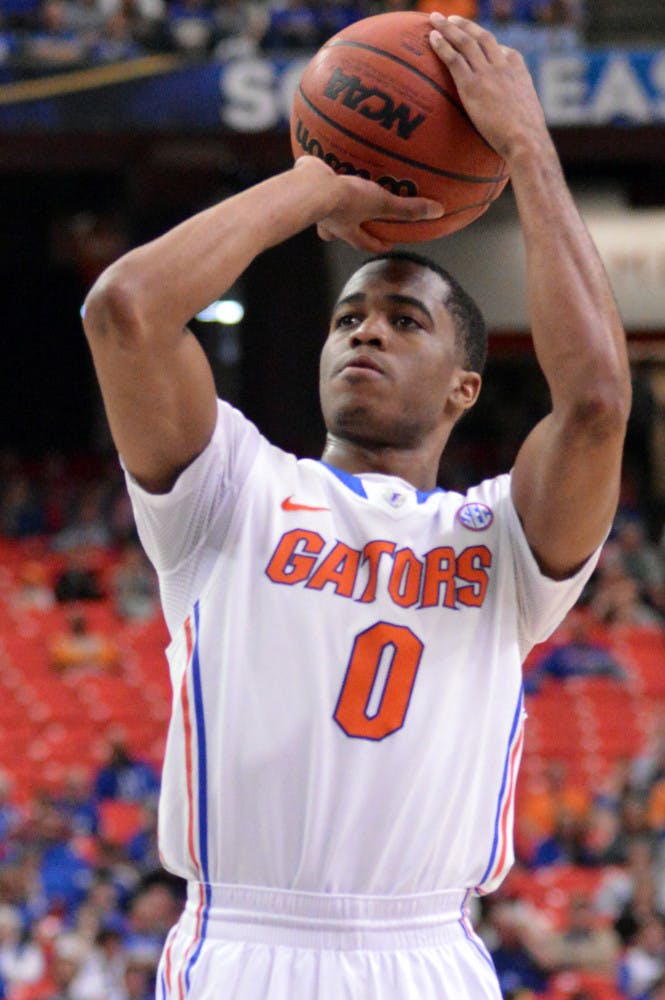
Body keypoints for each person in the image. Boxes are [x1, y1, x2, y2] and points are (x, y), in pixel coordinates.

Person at [81, 12, 631, 999]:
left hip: (426, 952)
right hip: (243, 944)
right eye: (348, 316)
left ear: (464, 387)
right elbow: (124, 310)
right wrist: (315, 181)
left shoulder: (502, 540)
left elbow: (592, 401)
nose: (363, 334)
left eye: (402, 319)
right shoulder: (232, 486)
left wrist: (523, 143)